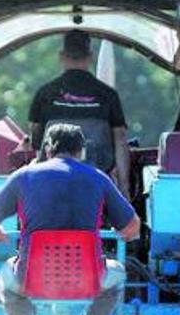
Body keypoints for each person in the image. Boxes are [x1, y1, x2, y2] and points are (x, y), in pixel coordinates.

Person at [0, 124, 140, 315]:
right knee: (117, 277)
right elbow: (132, 226)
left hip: (32, 279)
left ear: (47, 149)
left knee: (8, 284)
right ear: (81, 151)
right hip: (87, 279)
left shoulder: (24, 176)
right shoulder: (98, 178)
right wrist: (125, 233)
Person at [27, 30, 132, 198]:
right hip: (98, 178)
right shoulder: (108, 95)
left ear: (62, 56)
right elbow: (120, 141)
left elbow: (36, 142)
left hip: (51, 182)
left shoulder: (44, 94)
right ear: (90, 57)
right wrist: (124, 188)